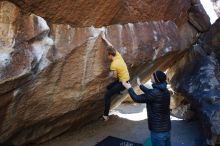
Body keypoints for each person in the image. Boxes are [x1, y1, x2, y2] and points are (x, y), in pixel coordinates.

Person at [123, 71, 171, 146]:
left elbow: (137, 98)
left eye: (152, 76)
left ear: (156, 79)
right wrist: (140, 85)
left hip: (157, 131)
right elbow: (150, 92)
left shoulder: (155, 93)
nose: (150, 77)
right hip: (166, 129)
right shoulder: (165, 91)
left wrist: (129, 88)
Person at [101, 33, 130, 121]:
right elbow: (111, 46)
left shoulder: (113, 64)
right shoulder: (118, 55)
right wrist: (104, 38)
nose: (107, 56)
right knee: (109, 87)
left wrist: (107, 76)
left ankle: (106, 116)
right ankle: (118, 91)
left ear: (110, 55)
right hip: (126, 78)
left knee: (107, 95)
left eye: (107, 55)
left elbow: (114, 76)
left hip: (123, 83)